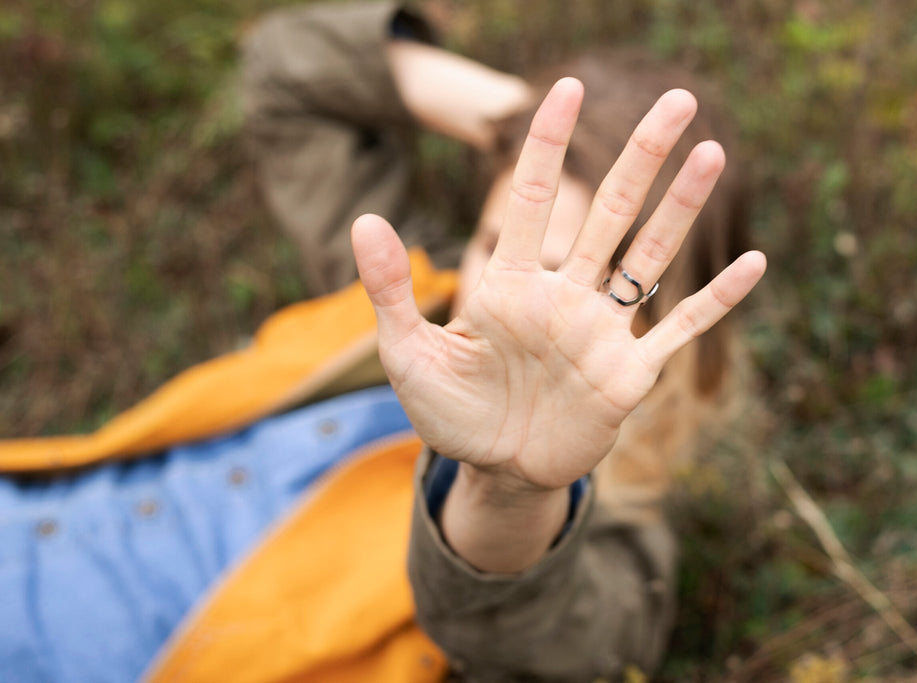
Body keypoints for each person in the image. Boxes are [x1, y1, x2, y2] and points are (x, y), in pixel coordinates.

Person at [0, 2, 765, 681]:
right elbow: (287, 68)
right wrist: (534, 126)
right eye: (498, 245)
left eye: (570, 279)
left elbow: (524, 631)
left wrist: (511, 485)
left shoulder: (625, 547)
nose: (508, 302)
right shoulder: (399, 297)